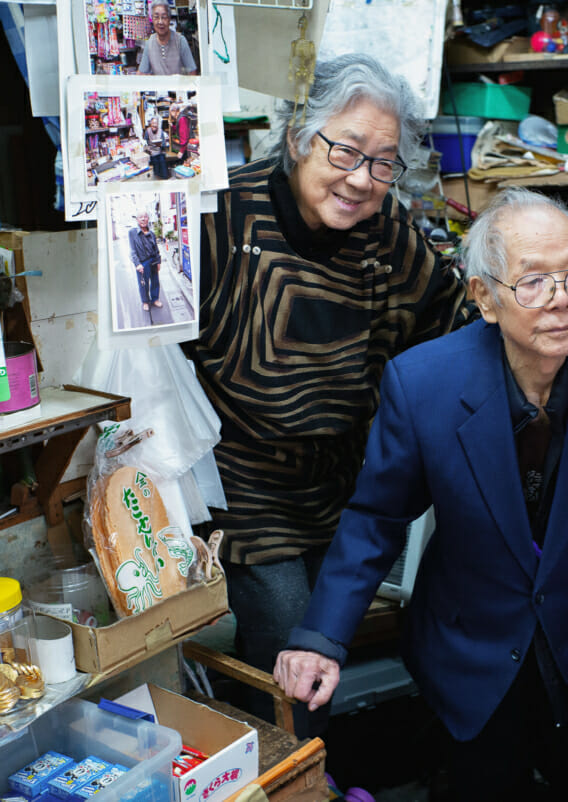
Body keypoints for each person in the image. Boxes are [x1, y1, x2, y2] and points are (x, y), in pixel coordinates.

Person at [274, 188, 568, 800]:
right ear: (484, 298)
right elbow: (376, 519)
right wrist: (321, 638)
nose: (562, 300)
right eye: (533, 282)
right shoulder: (424, 384)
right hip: (469, 652)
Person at [184, 54, 476, 736]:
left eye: (383, 162)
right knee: (291, 645)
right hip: (242, 485)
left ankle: (311, 772)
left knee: (326, 647)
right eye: (345, 150)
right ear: (296, 138)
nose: (361, 179)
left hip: (343, 485)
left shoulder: (390, 235)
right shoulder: (221, 212)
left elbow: (454, 314)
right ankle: (292, 777)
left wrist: (543, 302)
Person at [137, 0, 196, 76]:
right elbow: (142, 73)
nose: (160, 22)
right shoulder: (149, 43)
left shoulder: (180, 41)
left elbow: (192, 72)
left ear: (169, 19)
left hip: (178, 86)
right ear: (152, 19)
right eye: (156, 17)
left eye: (164, 17)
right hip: (159, 87)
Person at [129, 211, 163, 312]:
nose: (143, 219)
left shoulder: (151, 233)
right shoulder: (132, 232)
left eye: (145, 217)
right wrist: (137, 264)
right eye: (141, 217)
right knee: (143, 284)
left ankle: (155, 299)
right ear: (137, 220)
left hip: (153, 261)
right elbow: (132, 251)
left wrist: (158, 262)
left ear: (148, 219)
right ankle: (145, 302)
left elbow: (156, 249)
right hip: (142, 263)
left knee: (155, 281)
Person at [143, 115, 169, 179]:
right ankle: (156, 177)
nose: (154, 125)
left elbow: (164, 143)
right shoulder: (147, 131)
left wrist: (161, 145)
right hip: (151, 152)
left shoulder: (161, 131)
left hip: (159, 151)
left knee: (162, 161)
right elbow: (144, 142)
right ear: (150, 124)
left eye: (155, 123)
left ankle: (164, 178)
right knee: (155, 162)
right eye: (153, 123)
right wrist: (147, 149)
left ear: (157, 124)